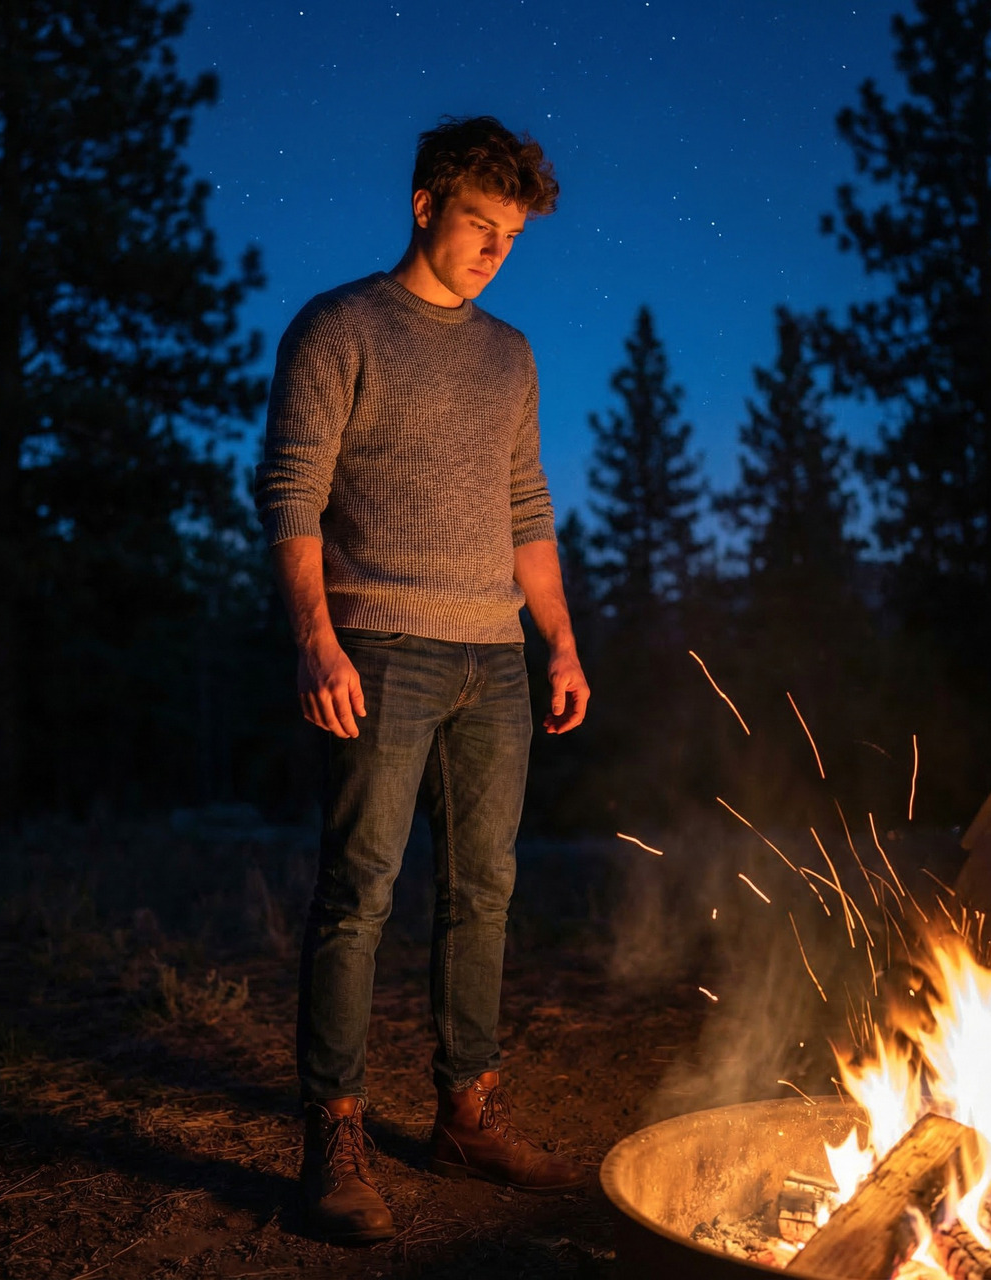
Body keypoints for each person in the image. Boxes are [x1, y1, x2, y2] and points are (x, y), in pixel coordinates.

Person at [255, 115, 590, 1246]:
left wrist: (561, 638)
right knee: (358, 894)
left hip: (495, 658)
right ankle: (335, 1128)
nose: (496, 250)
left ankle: (465, 1108)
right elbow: (291, 494)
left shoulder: (510, 354)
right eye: (479, 225)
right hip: (380, 647)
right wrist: (315, 638)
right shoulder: (339, 325)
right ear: (423, 204)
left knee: (483, 888)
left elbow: (526, 507)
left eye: (512, 236)